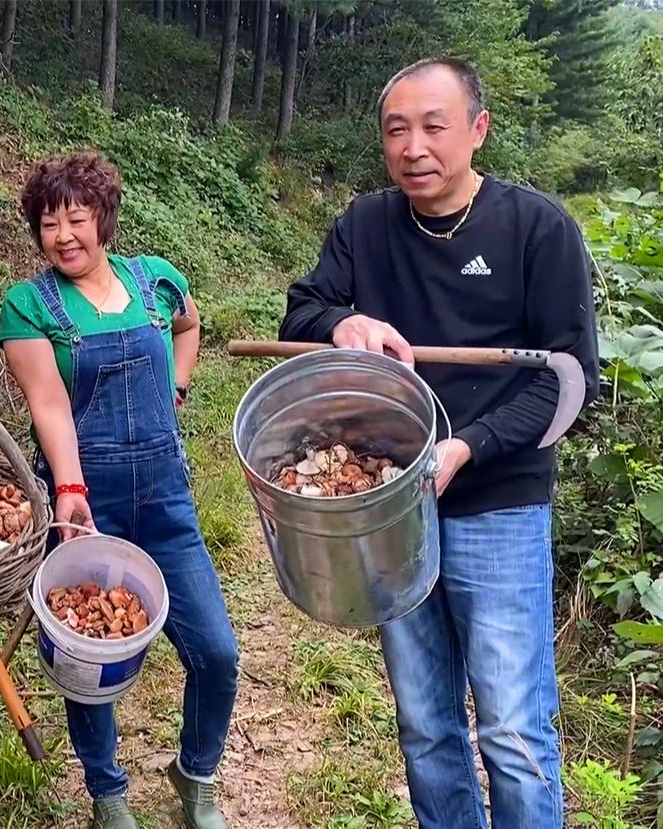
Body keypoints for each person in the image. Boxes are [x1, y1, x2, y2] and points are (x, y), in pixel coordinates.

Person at [278, 57, 599, 829]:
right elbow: (302, 313)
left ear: (477, 130)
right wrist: (340, 323)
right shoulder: (365, 223)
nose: (414, 146)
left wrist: (472, 446)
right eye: (397, 129)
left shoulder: (537, 227)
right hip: (393, 505)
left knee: (515, 729)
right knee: (426, 724)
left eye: (433, 126)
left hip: (498, 500)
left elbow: (567, 378)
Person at [0, 151, 239, 829]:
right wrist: (70, 488)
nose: (65, 234)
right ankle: (107, 791)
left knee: (216, 652)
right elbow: (47, 403)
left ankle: (196, 775)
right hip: (87, 506)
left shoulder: (156, 280)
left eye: (78, 217)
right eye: (49, 223)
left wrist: (179, 384)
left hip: (165, 498)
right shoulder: (28, 306)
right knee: (88, 660)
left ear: (105, 218)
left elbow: (190, 326)